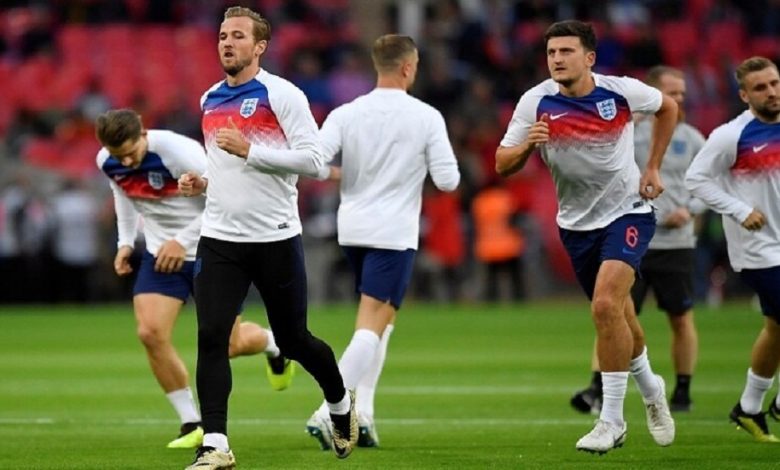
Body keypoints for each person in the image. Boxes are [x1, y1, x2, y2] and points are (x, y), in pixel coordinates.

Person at [177, 6, 357, 468]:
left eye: (238, 36)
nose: (227, 42)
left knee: (294, 340)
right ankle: (215, 444)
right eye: (223, 35)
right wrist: (204, 182)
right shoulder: (210, 98)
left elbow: (314, 161)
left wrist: (252, 151)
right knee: (212, 336)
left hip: (274, 237)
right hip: (219, 237)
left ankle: (340, 404)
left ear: (259, 46)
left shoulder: (283, 95)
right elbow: (227, 169)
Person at [495, 20, 678, 454]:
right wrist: (528, 146)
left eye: (566, 51)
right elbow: (502, 163)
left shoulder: (621, 91)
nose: (557, 59)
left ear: (589, 58)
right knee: (621, 318)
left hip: (628, 212)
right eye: (551, 52)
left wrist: (653, 166)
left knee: (604, 306)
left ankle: (611, 420)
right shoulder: (536, 101)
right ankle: (652, 388)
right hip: (576, 225)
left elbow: (668, 107)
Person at [95, 108, 294, 451]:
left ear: (144, 134)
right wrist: (125, 242)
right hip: (161, 254)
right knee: (150, 333)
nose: (126, 162)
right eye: (118, 156)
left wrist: (182, 241)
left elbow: (226, 200)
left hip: (213, 250)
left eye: (131, 153)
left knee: (229, 346)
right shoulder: (108, 160)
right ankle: (191, 421)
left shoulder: (179, 152)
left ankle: (273, 344)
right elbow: (123, 192)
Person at [303, 34, 460, 450]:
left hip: (352, 228)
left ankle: (366, 415)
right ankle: (329, 411)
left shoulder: (346, 112)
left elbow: (315, 163)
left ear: (378, 64)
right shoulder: (425, 116)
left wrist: (341, 174)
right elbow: (448, 180)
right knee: (374, 321)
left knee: (379, 320)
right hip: (393, 232)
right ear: (408, 67)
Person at [571, 66, 705, 414]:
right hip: (630, 239)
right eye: (672, 93)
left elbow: (709, 184)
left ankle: (683, 390)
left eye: (682, 94)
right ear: (654, 94)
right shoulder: (624, 132)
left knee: (680, 317)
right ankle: (598, 387)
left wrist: (689, 210)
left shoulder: (693, 139)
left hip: (676, 242)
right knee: (611, 310)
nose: (678, 100)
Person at [685, 56, 780, 443]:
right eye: (760, 87)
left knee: (775, 328)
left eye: (774, 83)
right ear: (744, 95)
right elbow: (696, 179)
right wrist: (740, 211)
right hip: (759, 248)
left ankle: (749, 408)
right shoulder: (731, 136)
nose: (771, 92)